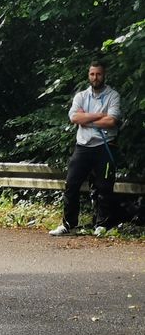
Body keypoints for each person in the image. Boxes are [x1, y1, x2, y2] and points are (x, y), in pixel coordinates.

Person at [49, 61, 122, 237]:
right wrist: (99, 115)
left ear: (104, 75)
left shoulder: (113, 96)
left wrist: (86, 119)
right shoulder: (81, 96)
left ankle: (102, 224)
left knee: (104, 186)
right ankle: (68, 224)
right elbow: (74, 118)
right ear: (88, 76)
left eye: (98, 74)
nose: (95, 77)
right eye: (92, 74)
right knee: (71, 184)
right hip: (83, 147)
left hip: (105, 146)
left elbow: (111, 121)